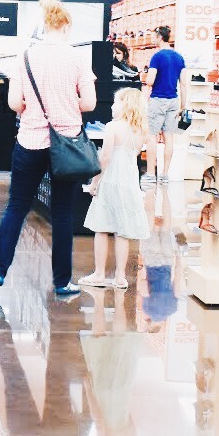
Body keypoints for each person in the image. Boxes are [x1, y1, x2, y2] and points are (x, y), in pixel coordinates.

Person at [0, 0, 97, 300]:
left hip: (30, 140)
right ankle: (61, 281)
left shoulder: (25, 56)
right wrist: (68, 108)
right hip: (66, 144)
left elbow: (14, 103)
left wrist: (32, 109)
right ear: (66, 26)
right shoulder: (78, 58)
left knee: (16, 206)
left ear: (44, 26)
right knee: (64, 213)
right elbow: (90, 103)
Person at [79, 88, 148, 289]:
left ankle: (100, 273)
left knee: (101, 228)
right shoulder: (141, 130)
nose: (111, 105)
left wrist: (94, 183)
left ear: (124, 104)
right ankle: (120, 276)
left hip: (110, 181)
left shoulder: (112, 127)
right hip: (129, 183)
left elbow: (105, 158)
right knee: (123, 230)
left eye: (115, 102)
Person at [142, 27, 184, 189]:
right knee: (169, 138)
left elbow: (151, 81)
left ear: (159, 37)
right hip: (174, 100)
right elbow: (184, 83)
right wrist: (183, 105)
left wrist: (146, 76)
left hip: (158, 99)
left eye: (153, 36)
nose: (152, 39)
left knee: (151, 136)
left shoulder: (157, 57)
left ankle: (151, 174)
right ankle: (165, 175)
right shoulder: (179, 57)